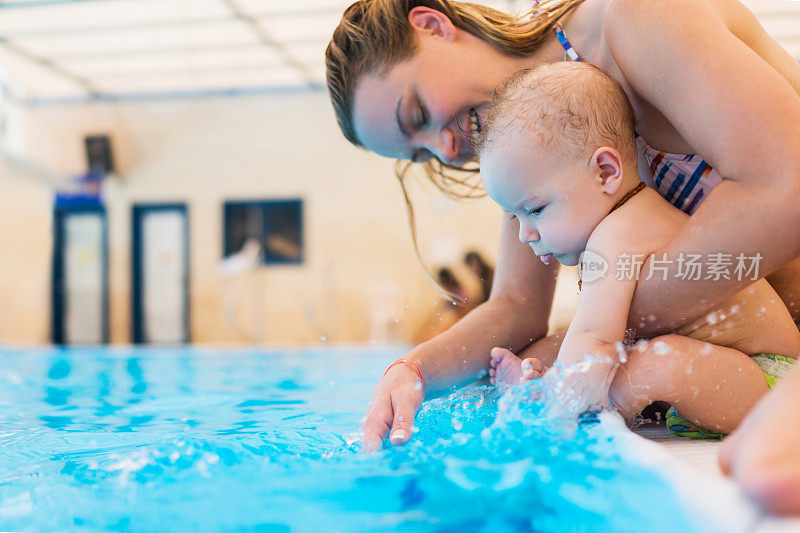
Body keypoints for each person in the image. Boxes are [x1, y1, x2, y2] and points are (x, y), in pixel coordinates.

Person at [325, 0, 800, 454]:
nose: (446, 150)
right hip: (743, 363)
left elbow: (787, 186)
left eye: (418, 115)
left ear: (432, 25)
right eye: (422, 153)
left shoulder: (638, 19)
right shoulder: (525, 136)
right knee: (523, 371)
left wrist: (605, 316)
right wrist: (413, 370)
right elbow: (516, 307)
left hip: (771, 361)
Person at [477, 62, 799, 436]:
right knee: (628, 358)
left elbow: (594, 340)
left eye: (535, 210)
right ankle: (556, 394)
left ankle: (562, 412)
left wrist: (560, 397)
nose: (525, 235)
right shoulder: (629, 218)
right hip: (739, 379)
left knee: (652, 364)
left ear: (605, 172)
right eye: (515, 217)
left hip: (774, 382)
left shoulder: (616, 236)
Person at [412, 267, 471, 343]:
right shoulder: (451, 294)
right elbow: (435, 316)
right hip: (459, 324)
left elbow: (464, 313)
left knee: (440, 332)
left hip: (463, 324)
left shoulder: (459, 294)